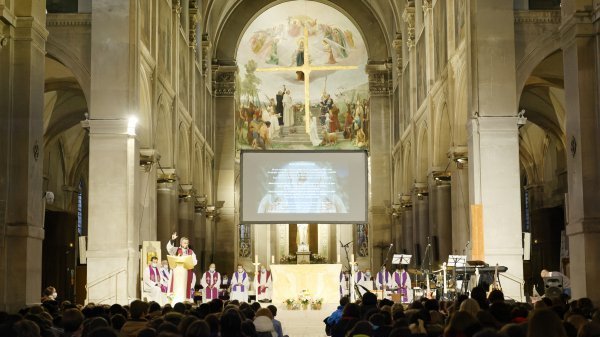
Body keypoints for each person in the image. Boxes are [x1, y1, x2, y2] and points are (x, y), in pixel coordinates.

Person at [166, 232, 198, 299]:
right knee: (177, 287)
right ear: (181, 243)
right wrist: (172, 240)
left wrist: (189, 262)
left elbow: (195, 261)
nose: (186, 244)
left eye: (187, 243)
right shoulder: (176, 249)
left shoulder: (191, 252)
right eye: (184, 242)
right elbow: (169, 248)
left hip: (186, 272)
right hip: (177, 272)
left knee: (185, 287)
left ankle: (184, 299)